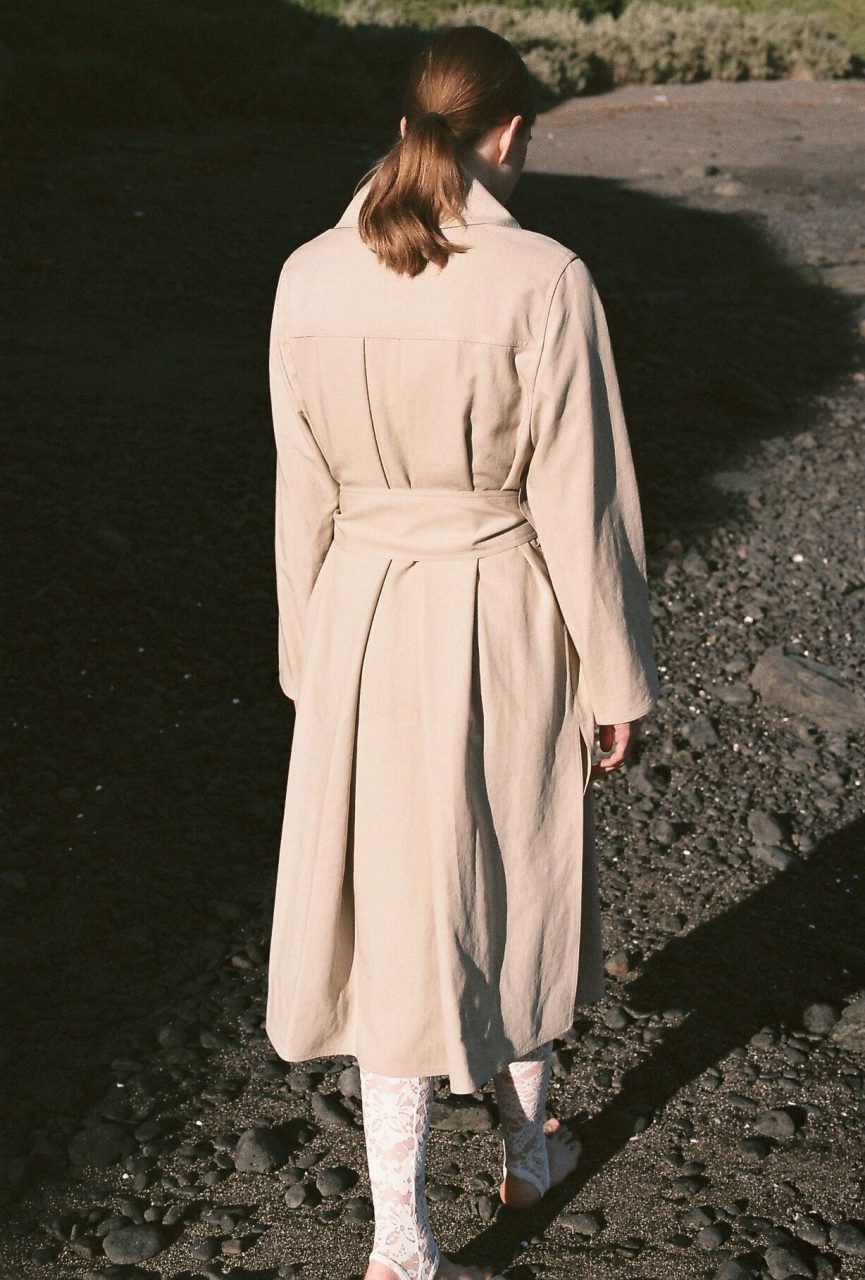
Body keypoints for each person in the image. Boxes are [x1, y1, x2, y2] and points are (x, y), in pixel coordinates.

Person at [264, 23, 661, 1280]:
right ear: (509, 135)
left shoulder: (307, 273)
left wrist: (307, 663)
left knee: (394, 911)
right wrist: (614, 676)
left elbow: (299, 494)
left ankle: (413, 1226)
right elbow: (581, 502)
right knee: (515, 880)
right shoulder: (545, 278)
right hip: (501, 613)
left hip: (360, 619)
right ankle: (508, 1163)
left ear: (406, 129)